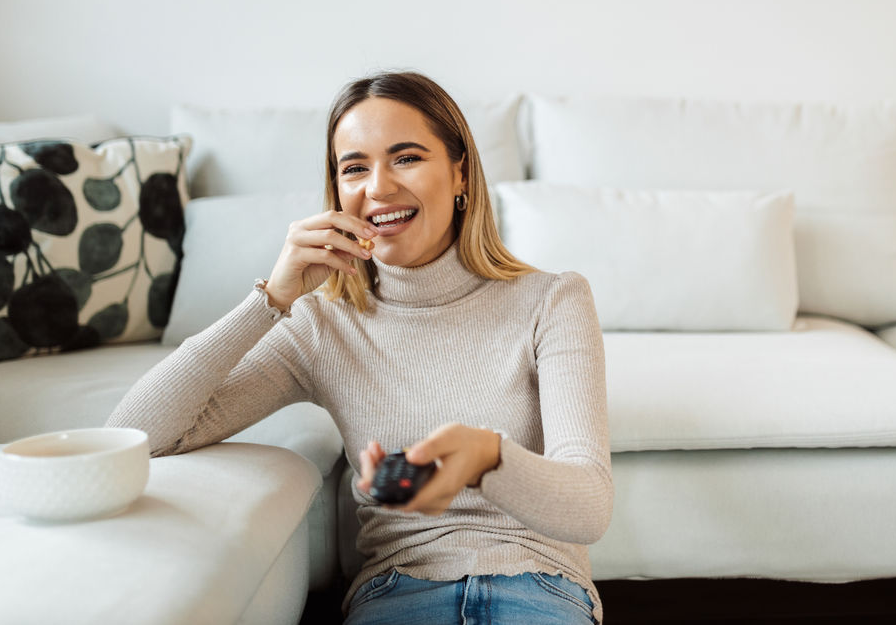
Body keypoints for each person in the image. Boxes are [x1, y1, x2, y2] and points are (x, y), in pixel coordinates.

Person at [107, 71, 612, 624]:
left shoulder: (553, 300)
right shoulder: (322, 326)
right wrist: (271, 300)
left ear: (460, 171)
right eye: (354, 168)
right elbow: (136, 437)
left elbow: (589, 507)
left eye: (406, 158)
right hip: (399, 593)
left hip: (539, 588)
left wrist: (484, 458)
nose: (378, 188)